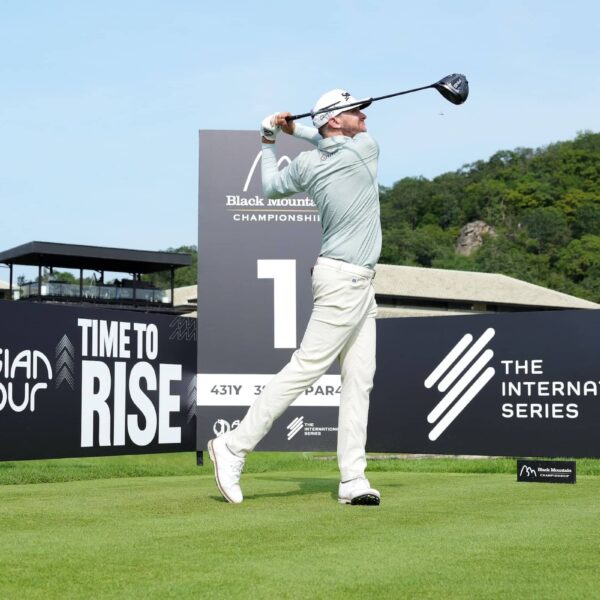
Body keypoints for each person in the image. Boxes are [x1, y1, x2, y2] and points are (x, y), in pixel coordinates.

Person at [208, 88, 382, 505]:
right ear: (337, 120)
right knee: (305, 368)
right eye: (357, 112)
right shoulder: (365, 150)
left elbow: (270, 186)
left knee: (359, 381)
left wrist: (272, 140)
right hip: (343, 280)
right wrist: (297, 130)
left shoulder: (308, 164)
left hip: (357, 280)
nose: (365, 118)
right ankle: (233, 445)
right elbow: (328, 139)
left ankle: (352, 480)